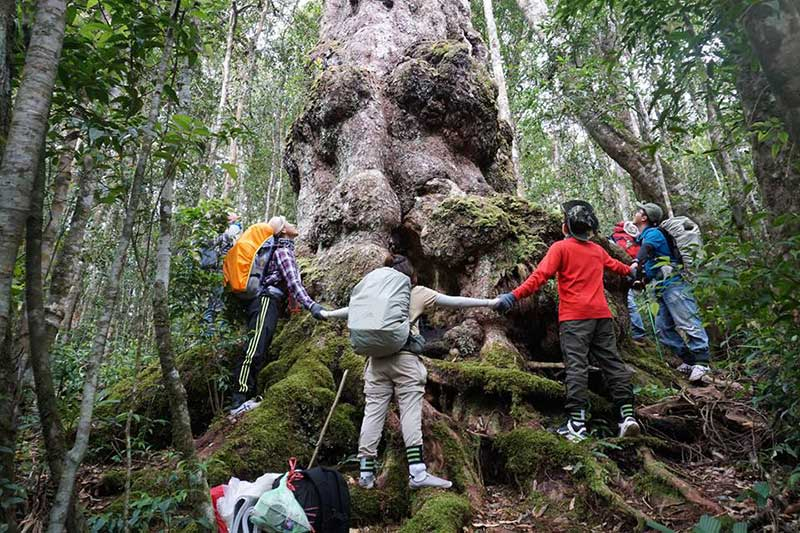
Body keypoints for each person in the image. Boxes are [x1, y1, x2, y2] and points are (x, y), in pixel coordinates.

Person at [322, 255, 500, 490]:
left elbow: (349, 311)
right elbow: (453, 301)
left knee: (373, 413)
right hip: (405, 360)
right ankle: (417, 472)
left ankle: (366, 474)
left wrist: (325, 314)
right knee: (409, 412)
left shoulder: (374, 296)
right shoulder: (416, 292)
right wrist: (491, 303)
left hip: (376, 362)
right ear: (410, 275)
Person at [495, 200, 641, 443]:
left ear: (566, 228)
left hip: (575, 319)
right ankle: (627, 416)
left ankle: (577, 424)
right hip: (602, 317)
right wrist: (632, 270)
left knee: (577, 367)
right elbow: (617, 266)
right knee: (613, 363)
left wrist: (512, 296)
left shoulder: (561, 248)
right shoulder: (597, 250)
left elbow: (539, 277)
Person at [229, 216, 326, 416]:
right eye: (287, 222)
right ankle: (238, 401)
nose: (293, 223)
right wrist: (312, 306)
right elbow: (294, 283)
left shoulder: (278, 251)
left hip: (265, 301)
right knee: (254, 348)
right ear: (282, 231)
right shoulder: (283, 252)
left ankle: (246, 397)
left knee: (259, 347)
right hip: (266, 301)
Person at [631, 202, 711, 383]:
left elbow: (647, 250)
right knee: (663, 327)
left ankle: (703, 362)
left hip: (674, 284)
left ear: (645, 217)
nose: (635, 213)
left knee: (688, 320)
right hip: (660, 287)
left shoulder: (653, 233)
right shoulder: (645, 236)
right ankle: (689, 361)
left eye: (639, 211)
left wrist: (637, 262)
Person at [202, 213, 243, 329]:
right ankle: (212, 329)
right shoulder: (232, 229)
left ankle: (214, 328)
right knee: (217, 299)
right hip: (222, 268)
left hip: (222, 268)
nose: (231, 216)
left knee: (216, 299)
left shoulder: (233, 228)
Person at [610, 220, 648, 344]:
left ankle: (638, 334)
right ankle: (638, 333)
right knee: (629, 302)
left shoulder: (615, 239)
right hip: (632, 273)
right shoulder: (633, 241)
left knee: (629, 302)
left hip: (623, 273)